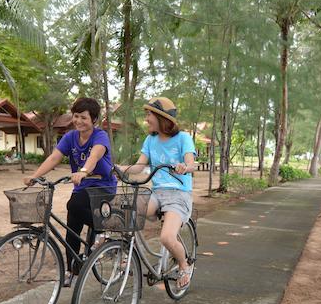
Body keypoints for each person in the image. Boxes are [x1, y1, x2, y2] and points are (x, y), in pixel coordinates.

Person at [27, 98, 116, 285]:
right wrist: (34, 177)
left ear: (94, 120)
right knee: (72, 225)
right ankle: (72, 270)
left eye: (83, 117)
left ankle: (102, 229)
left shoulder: (100, 136)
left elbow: (95, 154)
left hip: (103, 186)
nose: (78, 121)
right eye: (76, 116)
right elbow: (54, 158)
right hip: (82, 187)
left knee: (73, 204)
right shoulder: (70, 137)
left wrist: (83, 171)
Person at [118, 96, 196, 288]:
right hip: (157, 193)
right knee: (128, 212)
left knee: (166, 237)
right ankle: (126, 253)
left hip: (179, 195)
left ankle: (184, 265)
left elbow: (192, 164)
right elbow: (139, 167)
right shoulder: (150, 140)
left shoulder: (183, 138)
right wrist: (118, 168)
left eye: (149, 115)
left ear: (162, 118)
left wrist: (184, 167)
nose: (146, 119)